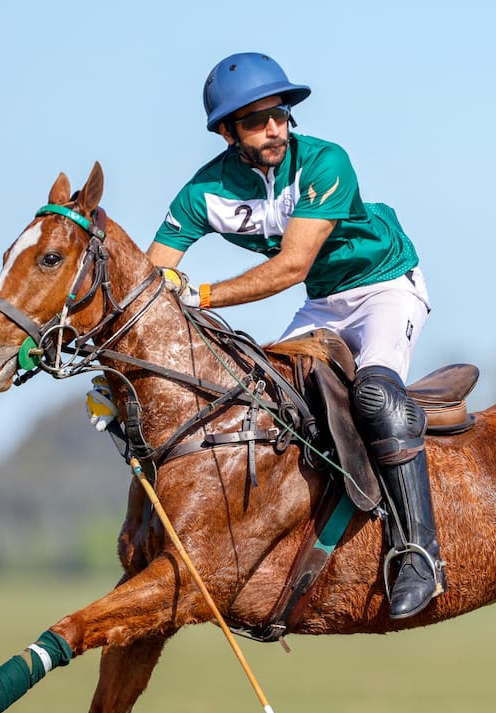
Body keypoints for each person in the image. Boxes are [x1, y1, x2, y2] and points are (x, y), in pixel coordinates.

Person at [145, 52, 445, 620]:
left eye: (280, 114)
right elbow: (148, 276)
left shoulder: (327, 161)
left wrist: (198, 296)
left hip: (384, 287)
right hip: (322, 306)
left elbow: (290, 266)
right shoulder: (202, 192)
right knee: (266, 404)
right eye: (257, 121)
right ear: (227, 132)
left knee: (377, 397)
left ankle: (419, 554)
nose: (275, 128)